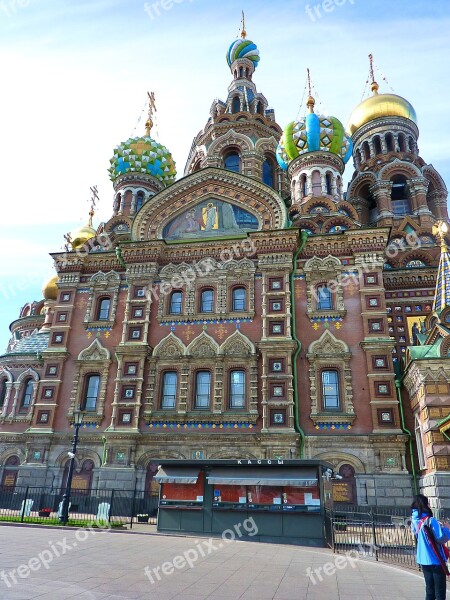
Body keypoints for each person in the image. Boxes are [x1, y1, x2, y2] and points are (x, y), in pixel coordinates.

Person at [411, 494, 450, 600]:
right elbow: (441, 538)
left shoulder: (414, 520)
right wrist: (447, 528)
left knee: (430, 590)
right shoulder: (430, 520)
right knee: (440, 592)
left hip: (423, 560)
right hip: (435, 560)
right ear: (425, 504)